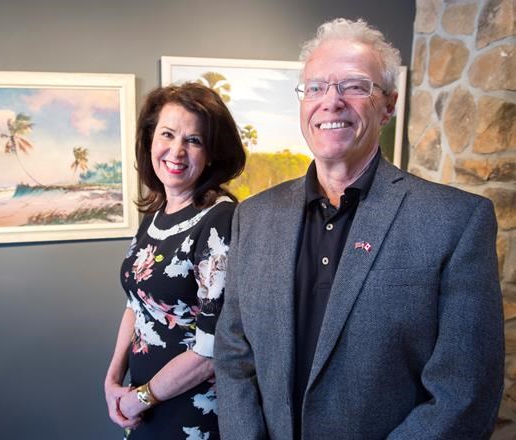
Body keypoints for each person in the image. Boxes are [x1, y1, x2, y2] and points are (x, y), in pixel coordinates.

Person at [214, 18, 504, 439]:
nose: (331, 102)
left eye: (353, 86)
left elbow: (465, 395)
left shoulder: (456, 222)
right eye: (315, 87)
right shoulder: (254, 217)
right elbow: (233, 355)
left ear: (388, 105)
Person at [105, 82, 246, 439]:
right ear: (151, 139)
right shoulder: (154, 216)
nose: (177, 151)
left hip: (190, 413)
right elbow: (135, 304)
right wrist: (112, 380)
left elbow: (210, 349)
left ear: (211, 154)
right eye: (167, 134)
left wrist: (139, 398)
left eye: (194, 140)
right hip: (142, 405)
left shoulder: (219, 220)